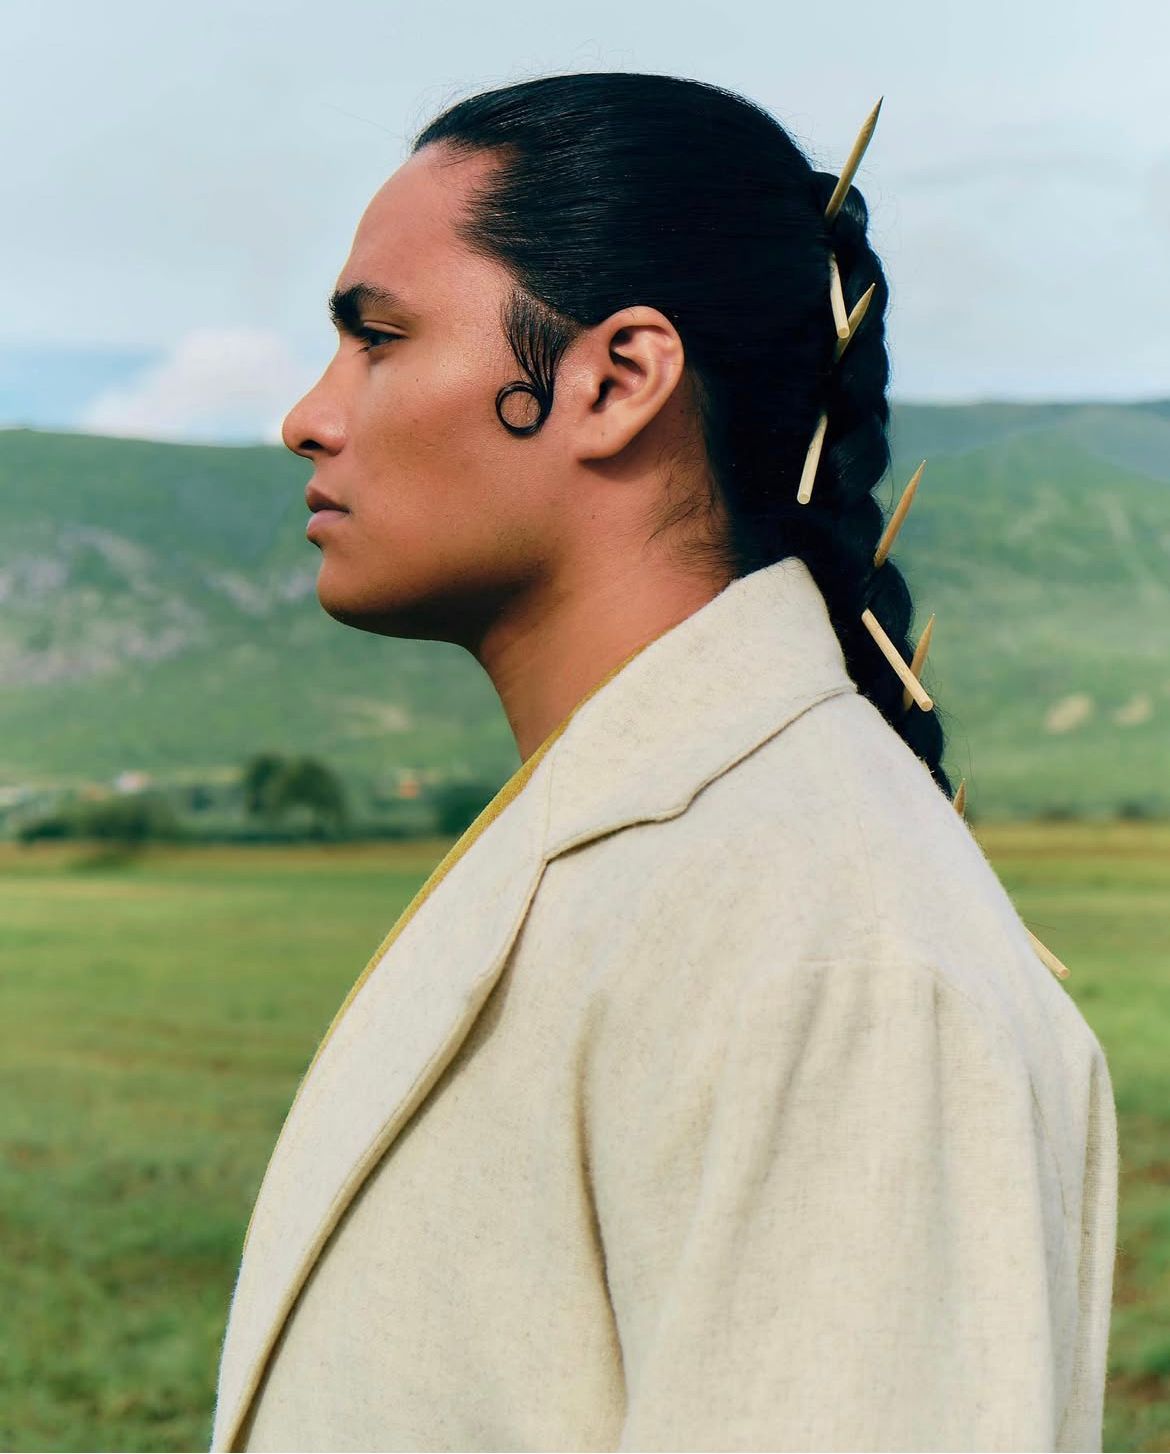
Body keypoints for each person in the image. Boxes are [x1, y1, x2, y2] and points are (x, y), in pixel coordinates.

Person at [211, 72, 1117, 1452]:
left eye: (376, 339)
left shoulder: (835, 954)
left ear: (615, 379)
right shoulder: (639, 851)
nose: (307, 416)